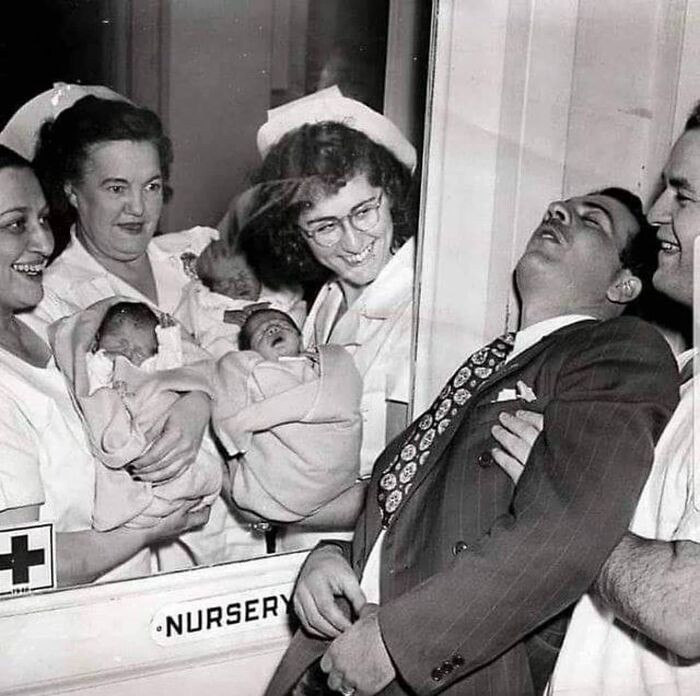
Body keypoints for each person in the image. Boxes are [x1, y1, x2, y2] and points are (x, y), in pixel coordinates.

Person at [264, 187, 679, 696]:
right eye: (560, 207)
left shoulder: (615, 350)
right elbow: (415, 511)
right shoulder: (489, 362)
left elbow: (569, 529)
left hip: (443, 672)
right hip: (343, 648)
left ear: (624, 284)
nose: (559, 211)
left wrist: (401, 642)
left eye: (592, 221)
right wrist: (331, 558)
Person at [1, 86, 283, 567]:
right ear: (72, 191)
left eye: (151, 186)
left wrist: (201, 400)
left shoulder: (195, 255)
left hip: (258, 527)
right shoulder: (53, 305)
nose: (138, 208)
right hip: (171, 551)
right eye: (116, 188)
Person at [494, 104, 700, 695]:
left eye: (682, 197)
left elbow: (686, 608)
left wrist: (556, 495)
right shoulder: (680, 375)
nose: (657, 212)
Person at [0, 145, 209, 586]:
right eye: (16, 224)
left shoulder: (47, 312)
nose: (44, 241)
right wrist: (150, 528)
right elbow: (14, 568)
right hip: (72, 634)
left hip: (141, 599)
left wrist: (194, 405)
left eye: (41, 219)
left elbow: (180, 350)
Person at [238, 86, 417, 549]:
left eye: (364, 211)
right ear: (296, 233)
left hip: (365, 561)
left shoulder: (420, 312)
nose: (353, 242)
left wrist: (259, 503)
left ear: (390, 194)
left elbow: (408, 487)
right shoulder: (330, 298)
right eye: (324, 227)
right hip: (299, 552)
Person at [49, 299, 222, 536]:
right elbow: (91, 386)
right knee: (137, 485)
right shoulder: (99, 364)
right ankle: (149, 508)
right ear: (97, 341)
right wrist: (102, 359)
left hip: (157, 422)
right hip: (123, 432)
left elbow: (173, 369)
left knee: (188, 471)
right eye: (120, 343)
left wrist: (169, 336)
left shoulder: (151, 367)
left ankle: (180, 493)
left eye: (141, 349)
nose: (129, 352)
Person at [211, 308, 363, 524]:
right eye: (261, 333)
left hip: (332, 465)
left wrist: (241, 424)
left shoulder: (324, 367)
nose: (272, 327)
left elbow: (341, 397)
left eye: (283, 325)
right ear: (251, 354)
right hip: (286, 478)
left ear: (302, 341)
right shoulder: (255, 374)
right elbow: (228, 396)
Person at [174, 237, 305, 359]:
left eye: (244, 275)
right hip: (223, 358)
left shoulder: (272, 292)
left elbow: (294, 297)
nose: (238, 284)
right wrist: (221, 316)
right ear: (211, 286)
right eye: (226, 283)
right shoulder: (203, 297)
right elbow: (184, 321)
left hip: (273, 351)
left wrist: (267, 310)